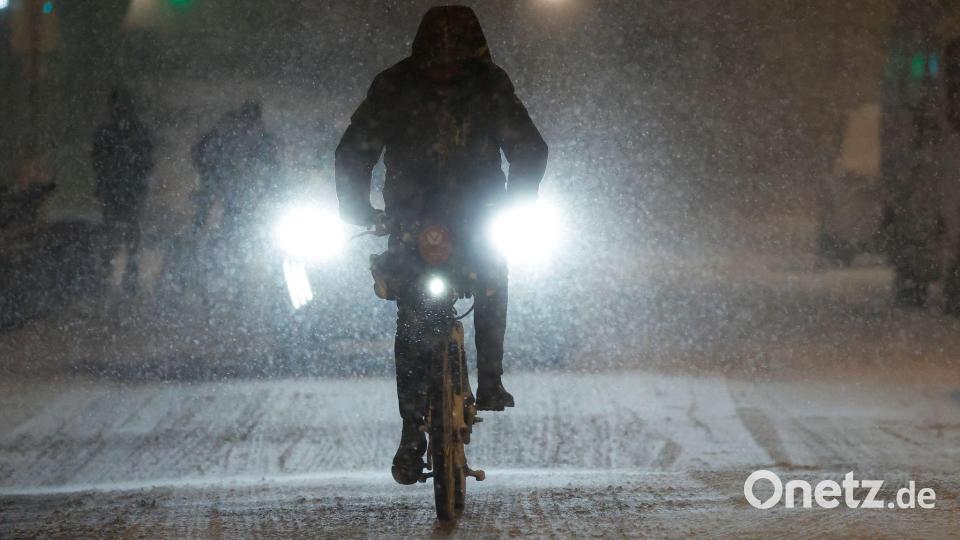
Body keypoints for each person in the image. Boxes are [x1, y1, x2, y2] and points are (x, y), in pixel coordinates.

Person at [335, 5, 548, 484]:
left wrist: (514, 207)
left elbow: (529, 149)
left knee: (488, 277)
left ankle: (488, 381)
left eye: (456, 51)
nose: (447, 60)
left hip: (462, 218)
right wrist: (360, 211)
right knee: (420, 315)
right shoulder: (417, 85)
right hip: (420, 221)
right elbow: (354, 154)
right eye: (440, 51)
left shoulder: (471, 85)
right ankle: (415, 428)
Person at [92, 87, 153, 294]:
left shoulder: (123, 132)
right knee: (120, 232)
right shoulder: (116, 133)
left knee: (126, 232)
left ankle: (121, 272)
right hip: (120, 189)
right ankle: (117, 272)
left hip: (126, 189)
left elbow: (147, 162)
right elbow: (99, 161)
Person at [190, 101, 279, 238]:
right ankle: (198, 233)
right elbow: (203, 153)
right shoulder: (226, 134)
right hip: (225, 183)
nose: (249, 126)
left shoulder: (259, 140)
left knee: (232, 214)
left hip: (239, 190)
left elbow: (272, 164)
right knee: (207, 210)